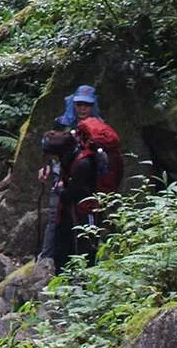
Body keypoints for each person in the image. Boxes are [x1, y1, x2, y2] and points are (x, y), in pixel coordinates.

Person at [38, 85, 101, 260]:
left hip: (86, 183)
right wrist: (48, 167)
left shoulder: (97, 128)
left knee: (86, 223)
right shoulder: (62, 123)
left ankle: (86, 264)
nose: (82, 108)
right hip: (62, 178)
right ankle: (47, 260)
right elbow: (53, 148)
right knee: (55, 219)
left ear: (92, 105)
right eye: (79, 104)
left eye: (86, 105)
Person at [41, 129, 99, 272]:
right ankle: (62, 276)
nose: (54, 159)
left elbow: (71, 193)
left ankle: (84, 279)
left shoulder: (82, 164)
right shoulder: (71, 154)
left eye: (55, 156)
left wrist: (59, 189)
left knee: (85, 246)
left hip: (84, 209)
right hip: (69, 209)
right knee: (63, 244)